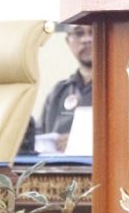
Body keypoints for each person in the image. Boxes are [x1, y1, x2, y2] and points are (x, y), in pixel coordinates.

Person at [39, 24, 93, 153]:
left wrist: (79, 143)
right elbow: (39, 140)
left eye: (93, 32)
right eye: (79, 33)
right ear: (68, 41)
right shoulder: (58, 92)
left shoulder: (119, 88)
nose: (86, 39)